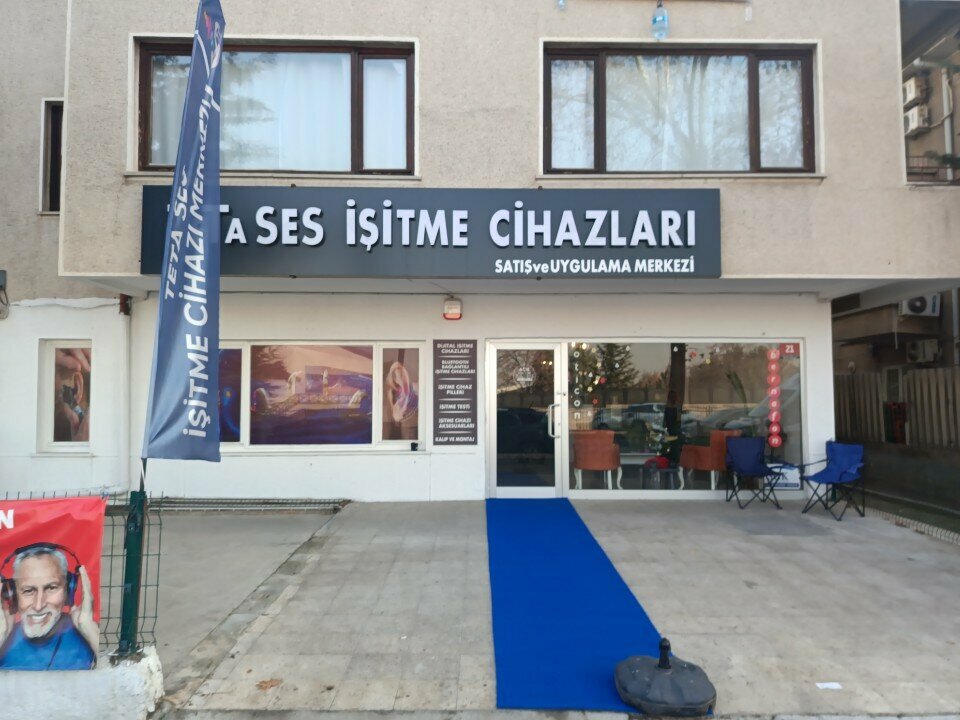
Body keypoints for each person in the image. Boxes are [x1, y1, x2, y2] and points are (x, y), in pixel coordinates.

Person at [0, 545, 97, 670]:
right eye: (28, 591)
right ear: (12, 595)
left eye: (51, 588)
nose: (38, 605)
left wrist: (90, 629)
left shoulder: (89, 634)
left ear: (69, 590)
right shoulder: (4, 637)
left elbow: (110, 677)